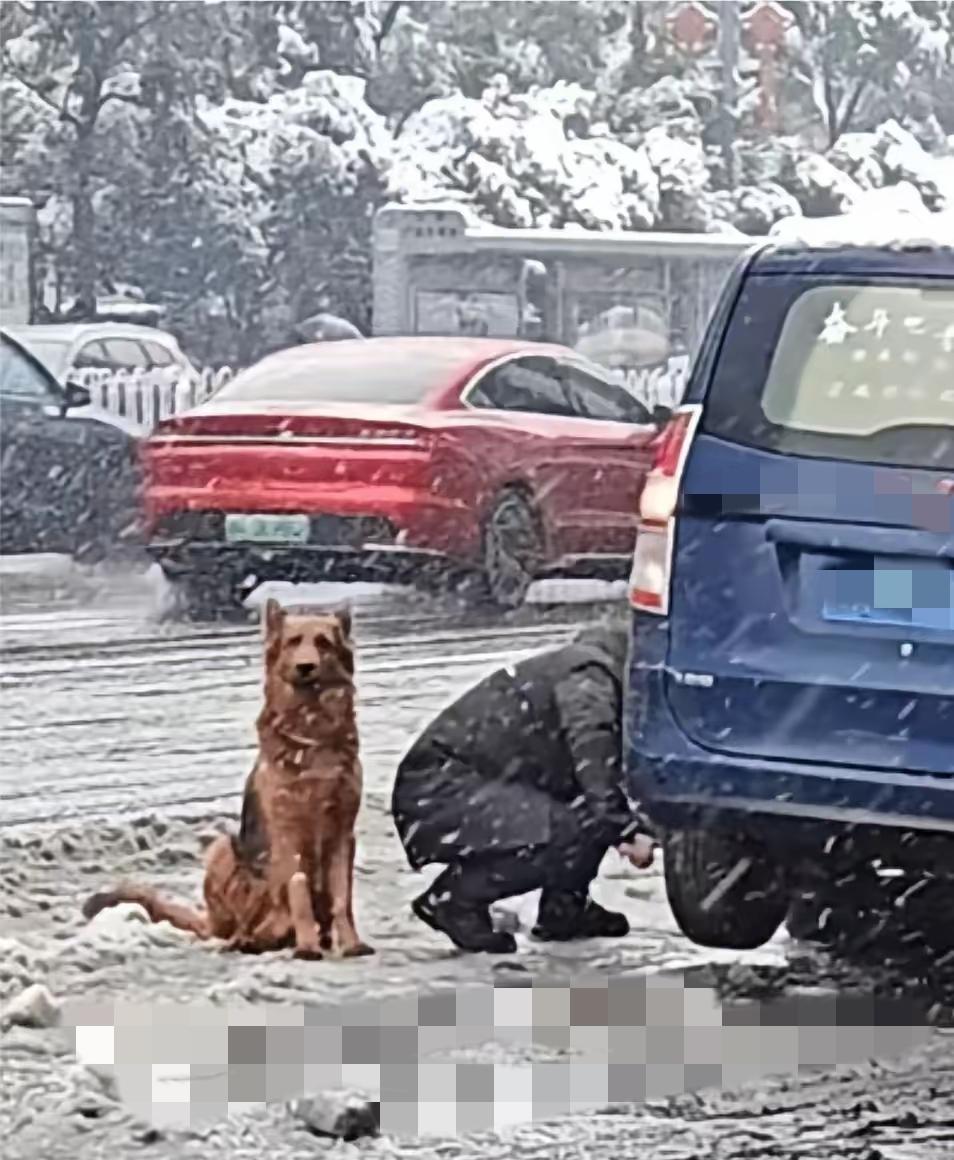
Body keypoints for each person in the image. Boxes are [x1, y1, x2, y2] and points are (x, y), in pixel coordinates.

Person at [391, 619, 655, 954]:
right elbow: (593, 751)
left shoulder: (589, 669)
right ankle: (454, 900)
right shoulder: (590, 676)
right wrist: (626, 830)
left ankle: (564, 911)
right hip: (439, 785)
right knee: (570, 828)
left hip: (457, 782)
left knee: (587, 816)